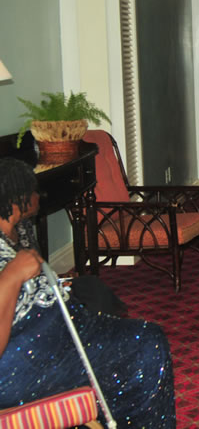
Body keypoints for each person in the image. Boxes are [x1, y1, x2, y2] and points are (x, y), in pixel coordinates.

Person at [0, 157, 176, 427]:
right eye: (33, 189)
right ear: (17, 197)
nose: (38, 195)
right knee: (147, 341)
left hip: (53, 333)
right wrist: (13, 275)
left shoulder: (17, 231)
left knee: (94, 293)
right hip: (25, 361)